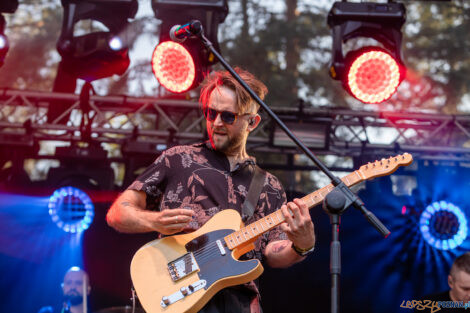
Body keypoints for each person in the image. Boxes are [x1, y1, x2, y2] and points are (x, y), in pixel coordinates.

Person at [106, 68, 316, 313]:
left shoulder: (269, 185)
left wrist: (302, 245)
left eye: (228, 116)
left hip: (236, 302)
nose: (216, 123)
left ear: (252, 121)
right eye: (210, 112)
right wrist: (155, 221)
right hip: (177, 292)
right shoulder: (178, 159)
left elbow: (273, 251)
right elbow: (118, 213)